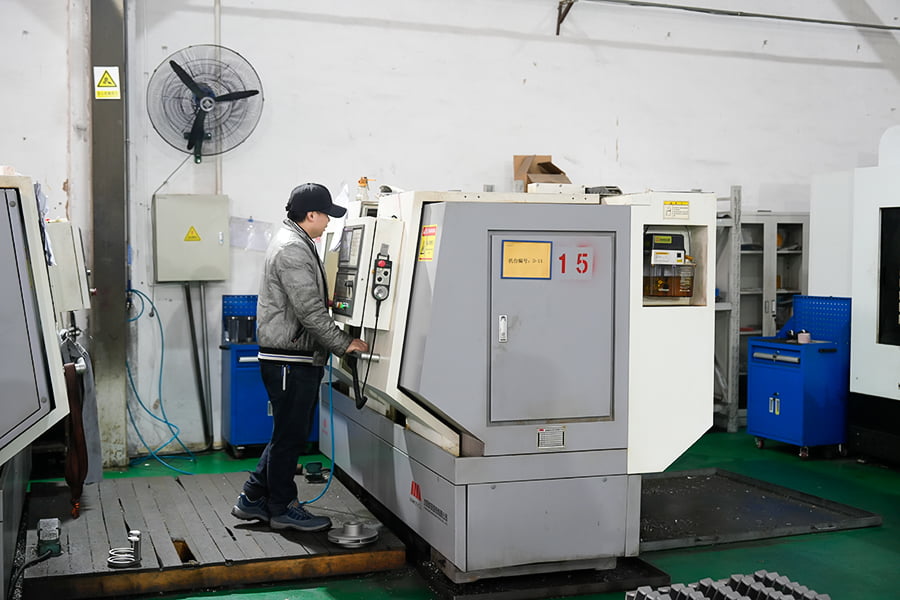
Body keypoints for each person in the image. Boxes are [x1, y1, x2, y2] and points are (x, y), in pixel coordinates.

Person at [232, 183, 368, 532]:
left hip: (291, 357)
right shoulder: (293, 248)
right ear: (310, 215)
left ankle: (252, 498)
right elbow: (308, 311)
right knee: (290, 437)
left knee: (286, 432)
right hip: (290, 360)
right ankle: (282, 507)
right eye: (326, 215)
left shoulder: (295, 241)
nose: (328, 222)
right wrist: (343, 344)